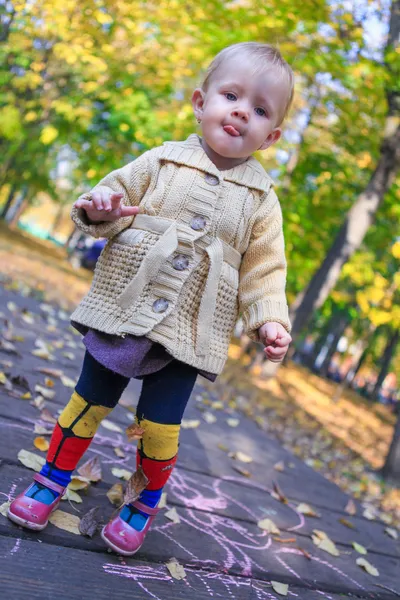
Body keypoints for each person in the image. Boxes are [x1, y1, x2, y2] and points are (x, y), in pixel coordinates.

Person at [8, 42, 293, 555]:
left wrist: (269, 318)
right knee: (88, 400)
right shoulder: (161, 160)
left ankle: (142, 503)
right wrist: (100, 208)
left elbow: (266, 269)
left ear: (270, 136)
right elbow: (109, 200)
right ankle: (51, 478)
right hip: (124, 308)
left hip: (190, 329)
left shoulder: (262, 201)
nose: (240, 112)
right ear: (199, 101)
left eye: (259, 109)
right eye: (231, 95)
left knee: (160, 426)